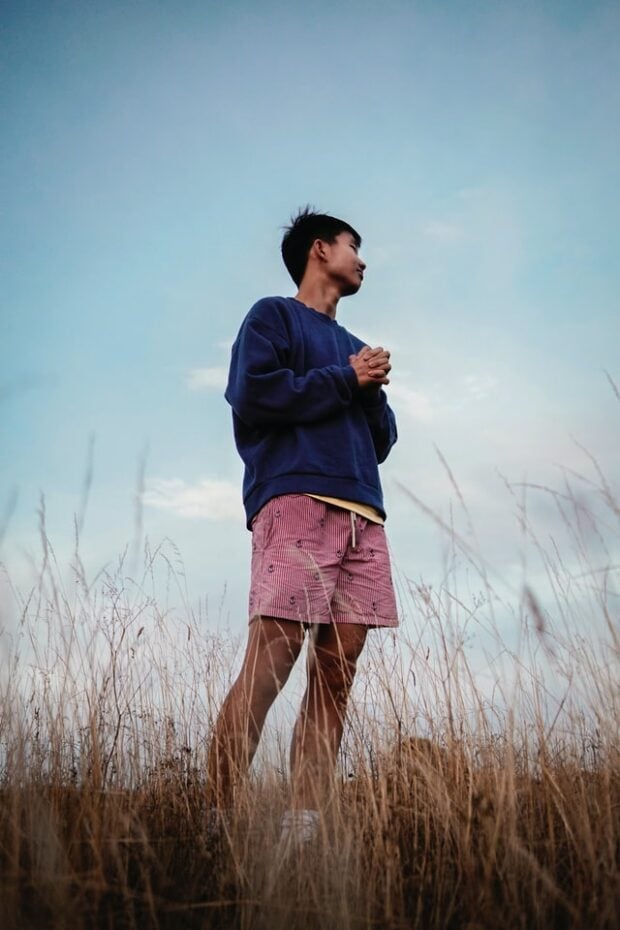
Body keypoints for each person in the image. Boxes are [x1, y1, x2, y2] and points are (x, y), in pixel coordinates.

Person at [206, 207, 398, 846]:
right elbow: (255, 394)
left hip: (363, 515)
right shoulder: (272, 317)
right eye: (353, 246)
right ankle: (216, 824)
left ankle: (302, 830)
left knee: (337, 673)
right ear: (321, 250)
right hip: (295, 500)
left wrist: (366, 386)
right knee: (272, 661)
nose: (362, 259)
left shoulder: (356, 349)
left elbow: (384, 440)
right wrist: (346, 379)